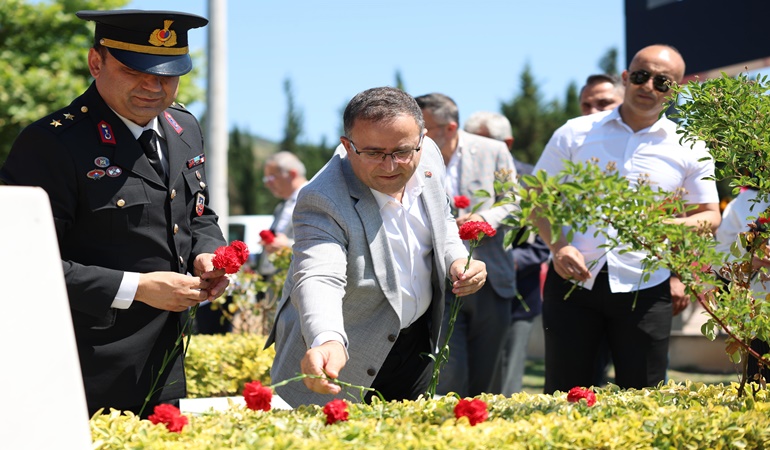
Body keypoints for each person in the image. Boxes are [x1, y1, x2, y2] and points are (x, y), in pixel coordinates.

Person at [0, 9, 229, 416]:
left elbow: (198, 214)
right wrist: (137, 287)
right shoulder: (51, 144)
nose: (152, 86)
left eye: (167, 74)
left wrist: (207, 254)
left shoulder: (183, 128)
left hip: (164, 363)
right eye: (134, 71)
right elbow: (21, 263)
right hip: (82, 368)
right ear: (95, 62)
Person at [267, 87, 487, 407]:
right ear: (348, 146)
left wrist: (457, 260)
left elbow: (444, 223)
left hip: (415, 347)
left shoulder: (430, 159)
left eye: (402, 151)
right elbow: (318, 276)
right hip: (343, 358)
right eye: (373, 153)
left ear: (421, 141)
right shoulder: (323, 198)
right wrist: (327, 338)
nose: (390, 166)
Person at [532, 45, 721, 394]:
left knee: (644, 395)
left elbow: (710, 215)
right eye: (641, 76)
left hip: (646, 288)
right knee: (565, 395)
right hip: (573, 280)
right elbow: (537, 198)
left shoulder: (690, 146)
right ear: (625, 78)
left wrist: (662, 228)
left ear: (675, 89)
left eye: (663, 82)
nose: (649, 86)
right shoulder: (575, 132)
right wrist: (558, 248)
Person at [414, 93, 518, 397]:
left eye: (424, 129)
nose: (417, 136)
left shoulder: (492, 150)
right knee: (447, 374)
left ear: (450, 127)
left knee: (488, 379)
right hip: (435, 281)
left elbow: (514, 201)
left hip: (491, 277)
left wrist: (482, 220)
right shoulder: (411, 154)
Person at [463, 111, 551, 394]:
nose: (474, 149)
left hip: (516, 296)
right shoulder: (453, 172)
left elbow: (542, 243)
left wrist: (500, 263)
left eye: (482, 140)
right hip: (464, 293)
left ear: (507, 143)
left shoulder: (530, 180)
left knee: (506, 385)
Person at [715, 189, 770, 381]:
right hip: (760, 320)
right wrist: (747, 260)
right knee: (760, 392)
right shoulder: (746, 201)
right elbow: (719, 257)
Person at [258, 151, 308, 276]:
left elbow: (321, 245)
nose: (267, 183)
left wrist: (286, 245)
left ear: (292, 174)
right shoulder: (281, 207)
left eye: (272, 177)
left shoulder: (313, 200)